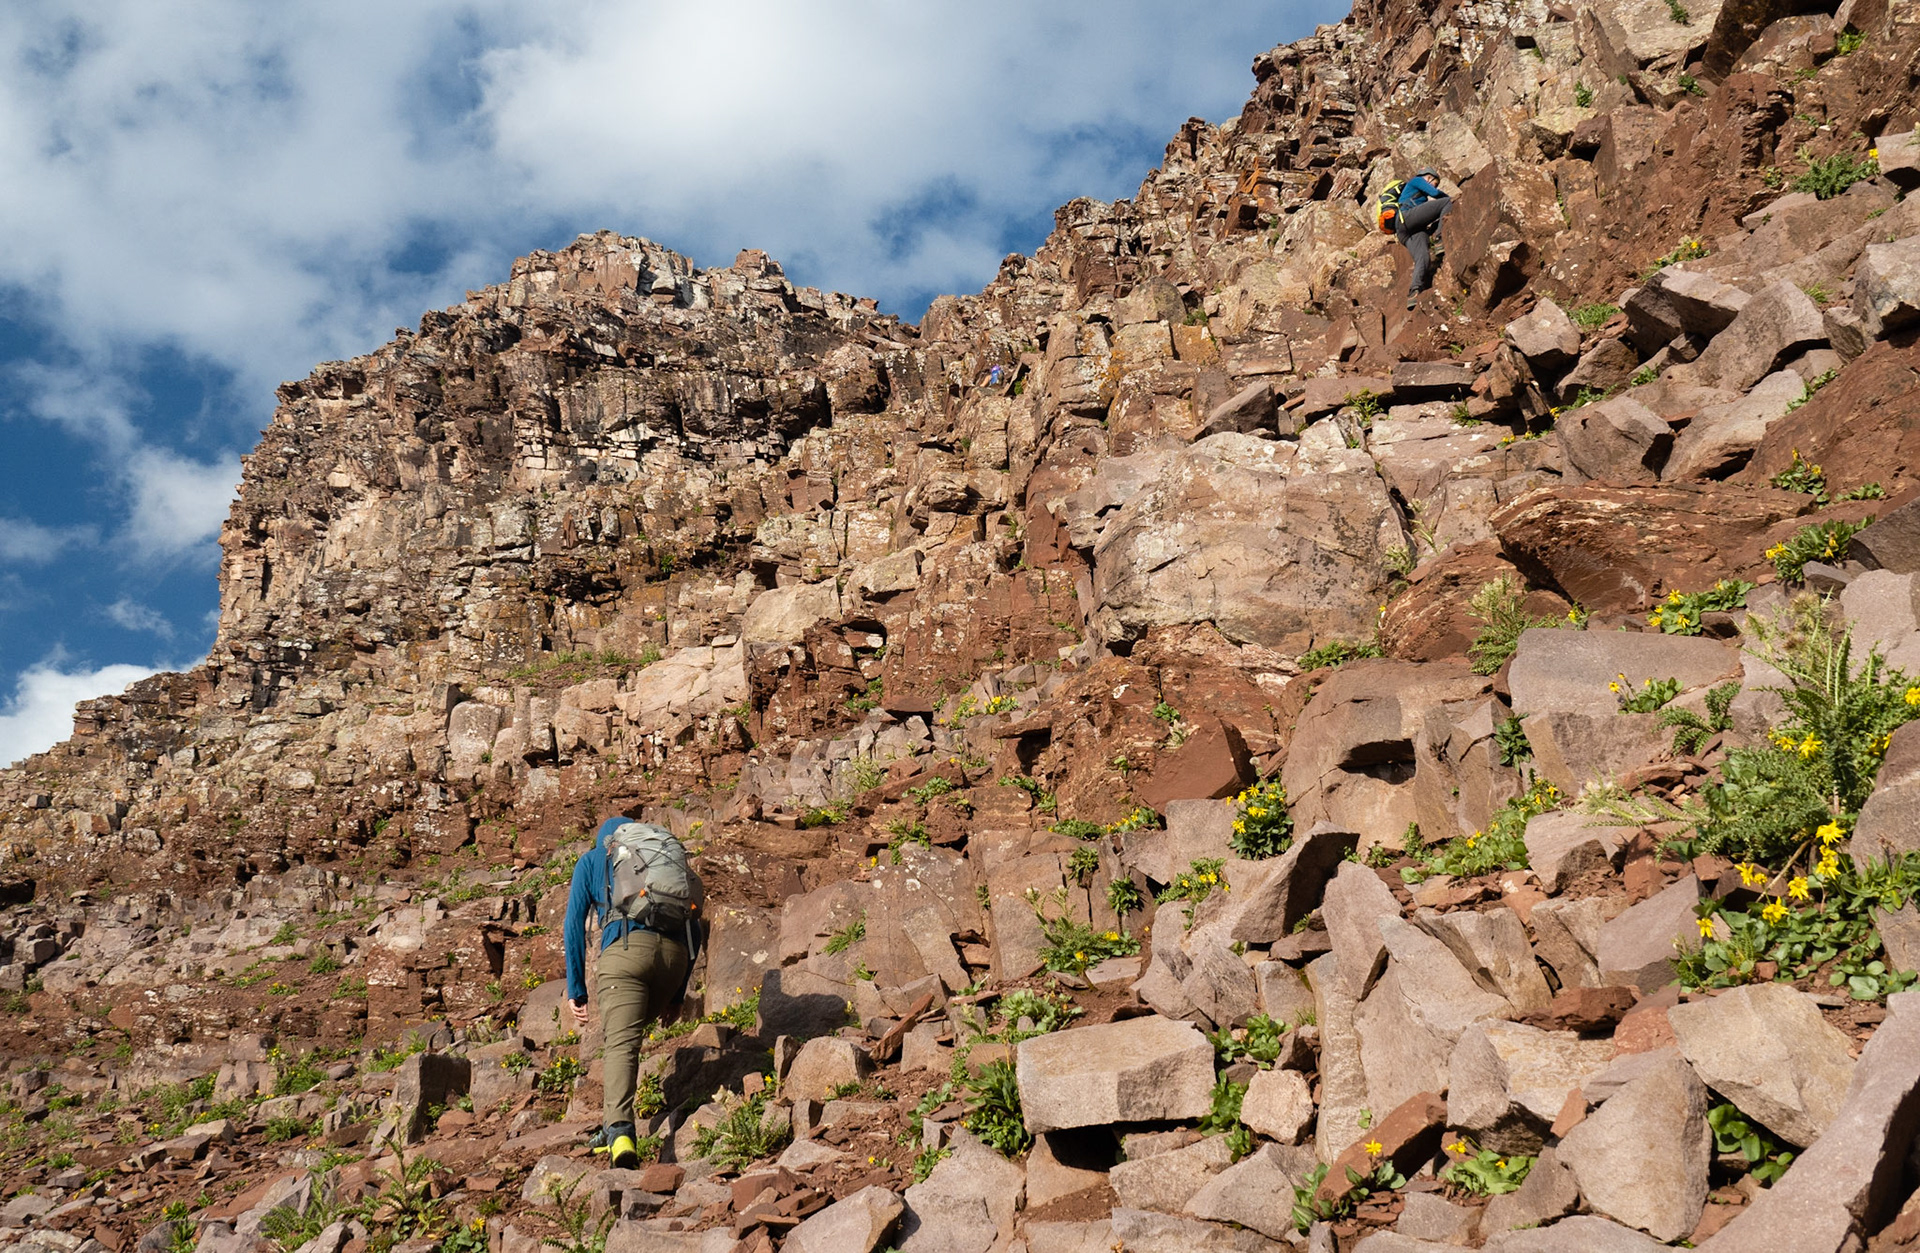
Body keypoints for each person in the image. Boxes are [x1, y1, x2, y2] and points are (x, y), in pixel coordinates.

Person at [563, 815, 706, 1168]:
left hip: (626, 954)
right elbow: (695, 927)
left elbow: (573, 925)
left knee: (620, 1045)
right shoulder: (662, 861)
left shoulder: (593, 860)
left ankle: (620, 1132)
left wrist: (576, 989)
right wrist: (677, 994)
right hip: (673, 961)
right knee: (628, 1037)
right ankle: (608, 1124)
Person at [1395, 168, 1450, 309]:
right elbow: (1435, 194)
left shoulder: (1419, 196)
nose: (1434, 186)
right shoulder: (1417, 180)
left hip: (1405, 231)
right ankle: (1438, 239)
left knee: (1423, 257)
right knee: (1446, 202)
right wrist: (1452, 199)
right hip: (1406, 217)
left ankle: (1414, 292)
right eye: (1434, 183)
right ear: (1428, 178)